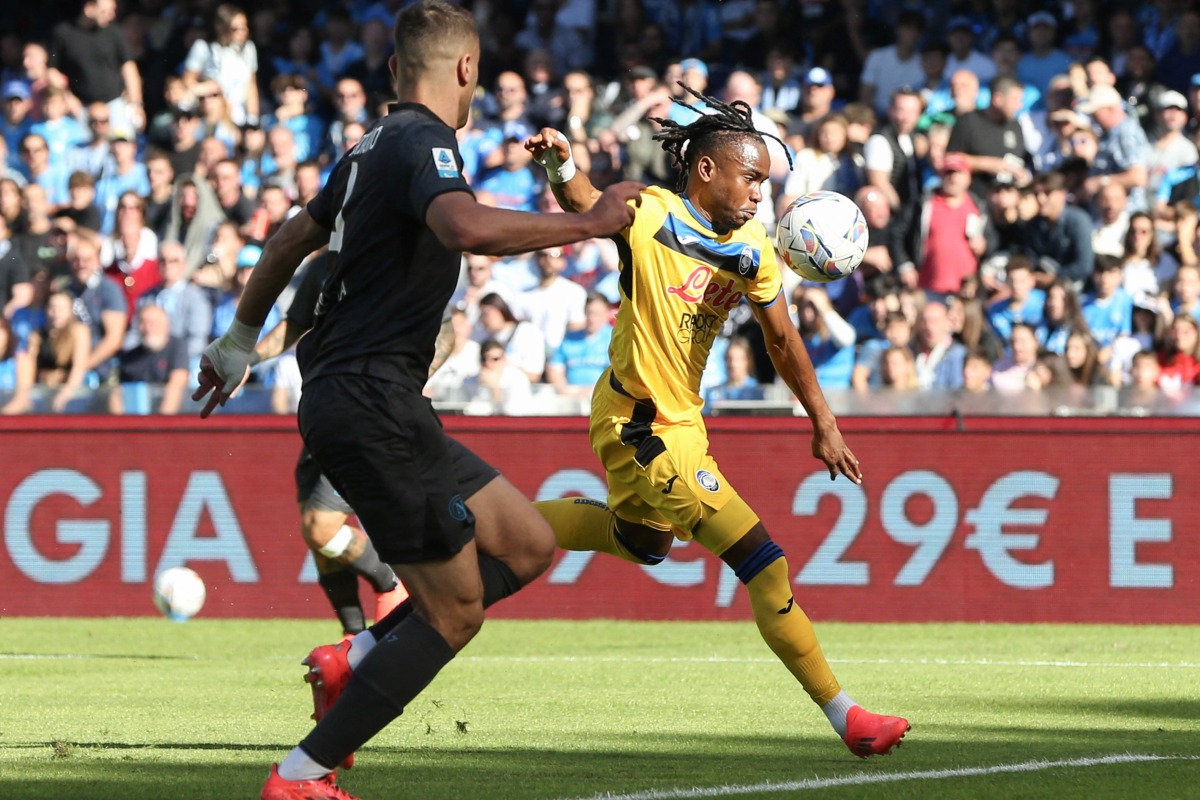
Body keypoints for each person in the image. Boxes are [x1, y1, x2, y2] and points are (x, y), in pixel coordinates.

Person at [192, 4, 642, 796]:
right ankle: (301, 775)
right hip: (370, 397)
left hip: (372, 396)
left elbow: (289, 239)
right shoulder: (423, 142)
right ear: (466, 70)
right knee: (455, 613)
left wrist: (236, 342)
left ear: (396, 71)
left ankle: (353, 658)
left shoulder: (368, 146)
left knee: (529, 542)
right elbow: (463, 227)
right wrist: (592, 222)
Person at [524, 87, 907, 757]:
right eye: (751, 177)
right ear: (707, 170)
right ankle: (847, 717)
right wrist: (559, 166)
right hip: (640, 427)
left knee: (641, 543)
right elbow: (587, 203)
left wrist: (823, 420)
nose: (761, 193)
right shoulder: (650, 214)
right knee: (766, 565)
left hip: (681, 425)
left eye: (766, 182)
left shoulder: (755, 249)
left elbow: (783, 341)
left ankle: (490, 527)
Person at [251, 251, 410, 642]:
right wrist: (246, 357)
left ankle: (390, 582)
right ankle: (353, 640)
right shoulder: (322, 267)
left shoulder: (391, 259)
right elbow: (295, 324)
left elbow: (444, 331)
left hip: (365, 412)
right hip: (320, 410)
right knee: (320, 544)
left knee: (320, 528)